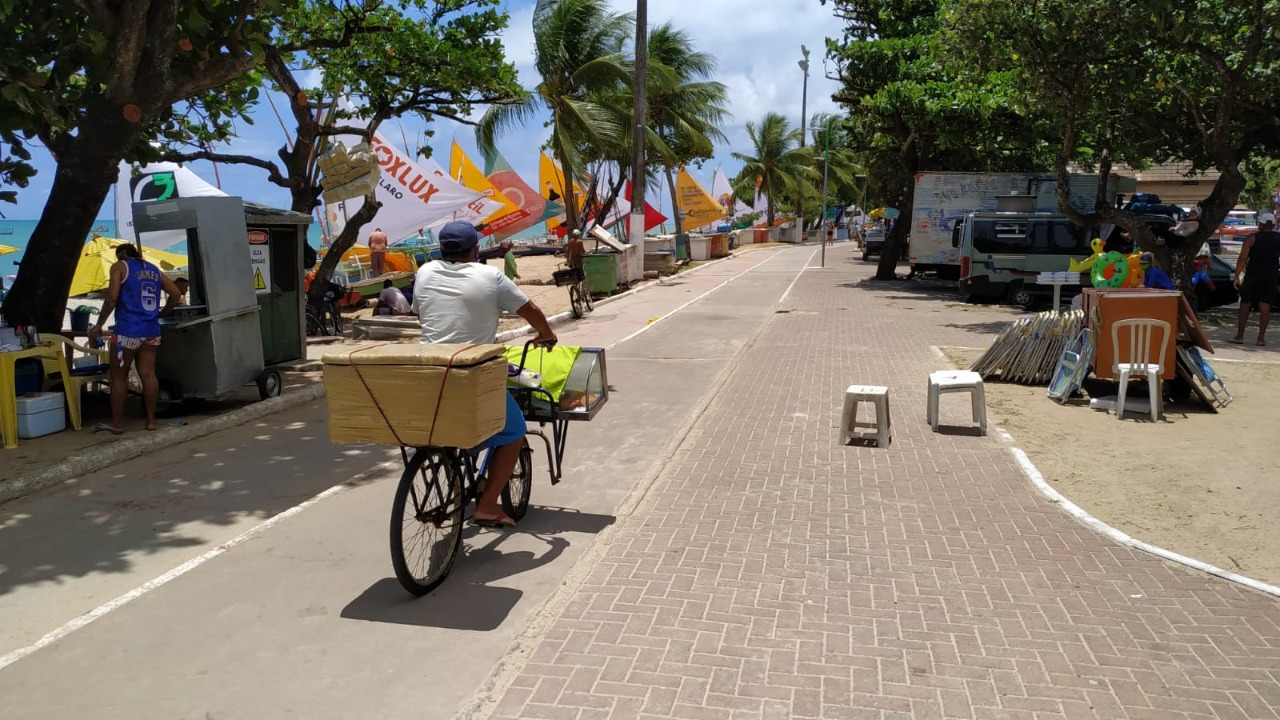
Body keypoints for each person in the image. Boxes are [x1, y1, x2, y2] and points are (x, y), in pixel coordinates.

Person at [412, 221, 557, 528]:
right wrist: (546, 334)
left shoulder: (424, 272)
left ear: (441, 249)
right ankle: (488, 506)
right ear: (475, 249)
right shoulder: (490, 276)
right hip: (472, 374)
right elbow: (530, 310)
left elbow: (422, 312)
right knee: (514, 431)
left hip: (429, 372)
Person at [87, 244, 182, 434]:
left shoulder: (120, 267)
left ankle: (117, 424)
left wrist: (99, 323)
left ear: (121, 255)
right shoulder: (154, 269)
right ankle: (151, 421)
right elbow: (176, 294)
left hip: (127, 332)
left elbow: (112, 298)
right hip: (151, 331)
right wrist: (163, 313)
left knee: (119, 377)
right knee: (148, 375)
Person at [1231, 212, 1280, 346]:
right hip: (1270, 276)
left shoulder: (1251, 238)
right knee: (1265, 306)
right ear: (1273, 225)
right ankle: (1261, 338)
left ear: (1261, 224)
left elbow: (1242, 258)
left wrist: (1236, 276)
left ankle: (1240, 336)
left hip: (1253, 275)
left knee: (1245, 304)